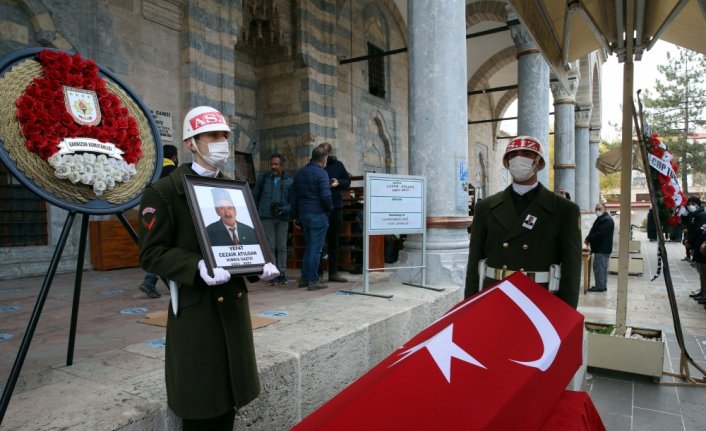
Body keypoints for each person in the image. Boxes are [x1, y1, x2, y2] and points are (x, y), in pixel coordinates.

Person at [138, 106, 279, 430]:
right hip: (196, 312)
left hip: (232, 306)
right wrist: (195, 265)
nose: (221, 143)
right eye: (212, 136)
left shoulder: (233, 190)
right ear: (191, 142)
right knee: (202, 404)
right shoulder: (163, 192)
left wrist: (259, 265)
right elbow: (151, 253)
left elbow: (240, 241)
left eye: (224, 136)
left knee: (229, 401)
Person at [465, 136, 582, 308]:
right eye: (513, 155)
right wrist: (469, 304)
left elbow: (571, 269)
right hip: (495, 295)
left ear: (538, 162)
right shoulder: (486, 207)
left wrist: (566, 314)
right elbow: (474, 262)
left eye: (527, 154)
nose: (518, 159)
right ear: (506, 161)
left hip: (539, 299)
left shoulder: (564, 210)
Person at [138, 144, 179, 298]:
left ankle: (152, 281)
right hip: (172, 216)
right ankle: (156, 282)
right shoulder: (174, 172)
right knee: (173, 249)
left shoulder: (152, 172)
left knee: (158, 248)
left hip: (152, 217)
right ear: (174, 157)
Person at [291, 146, 332, 291]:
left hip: (304, 214)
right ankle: (313, 280)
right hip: (317, 214)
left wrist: (295, 216)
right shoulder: (322, 174)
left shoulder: (300, 173)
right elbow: (326, 196)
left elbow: (294, 197)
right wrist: (329, 209)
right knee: (316, 249)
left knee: (310, 247)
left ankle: (304, 278)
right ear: (324, 158)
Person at [253, 153, 293, 285]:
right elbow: (255, 196)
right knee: (270, 246)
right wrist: (256, 212)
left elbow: (293, 201)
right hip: (266, 216)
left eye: (276, 164)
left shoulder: (289, 181)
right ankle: (273, 273)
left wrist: (284, 209)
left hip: (282, 217)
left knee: (282, 246)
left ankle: (282, 273)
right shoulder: (264, 178)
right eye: (272, 164)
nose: (273, 167)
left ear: (282, 165)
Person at [319, 142, 351, 282]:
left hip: (336, 207)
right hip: (320, 208)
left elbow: (347, 181)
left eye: (327, 153)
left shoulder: (338, 165)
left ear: (331, 153)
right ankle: (318, 273)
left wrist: (338, 182)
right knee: (319, 241)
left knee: (334, 240)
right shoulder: (317, 165)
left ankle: (333, 272)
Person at [585, 202, 615, 293]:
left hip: (602, 249)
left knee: (599, 268)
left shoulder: (606, 220)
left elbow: (599, 233)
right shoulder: (603, 218)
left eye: (599, 209)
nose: (597, 211)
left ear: (604, 209)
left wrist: (588, 239)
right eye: (596, 209)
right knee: (602, 268)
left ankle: (600, 287)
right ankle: (602, 285)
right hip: (602, 248)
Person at [683, 197, 706, 300]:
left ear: (697, 204)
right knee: (700, 270)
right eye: (689, 204)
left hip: (702, 246)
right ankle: (703, 291)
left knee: (703, 270)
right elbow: (691, 228)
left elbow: (698, 231)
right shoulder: (695, 214)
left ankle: (704, 293)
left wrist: (690, 241)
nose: (690, 206)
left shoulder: (702, 215)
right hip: (698, 245)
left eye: (692, 203)